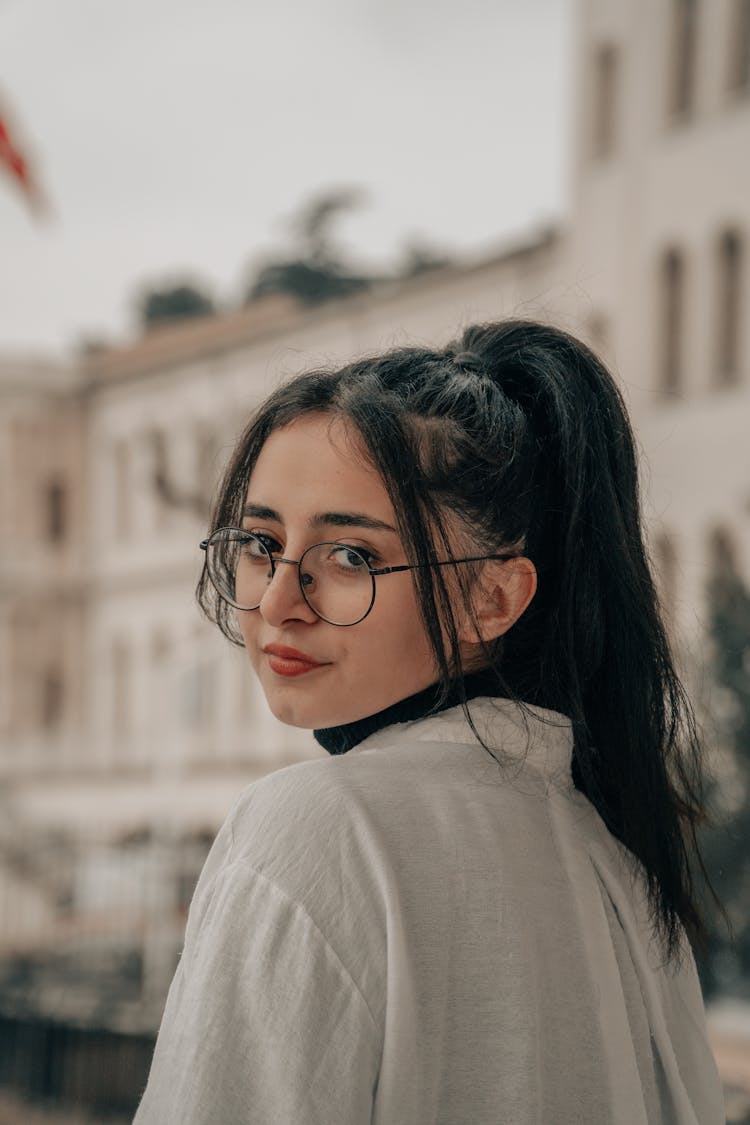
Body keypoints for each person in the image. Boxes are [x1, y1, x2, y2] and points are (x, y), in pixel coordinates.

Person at [133, 320, 725, 1124]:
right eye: (262, 541)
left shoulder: (316, 832)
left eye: (351, 556)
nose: (276, 600)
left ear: (495, 597)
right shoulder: (620, 868)